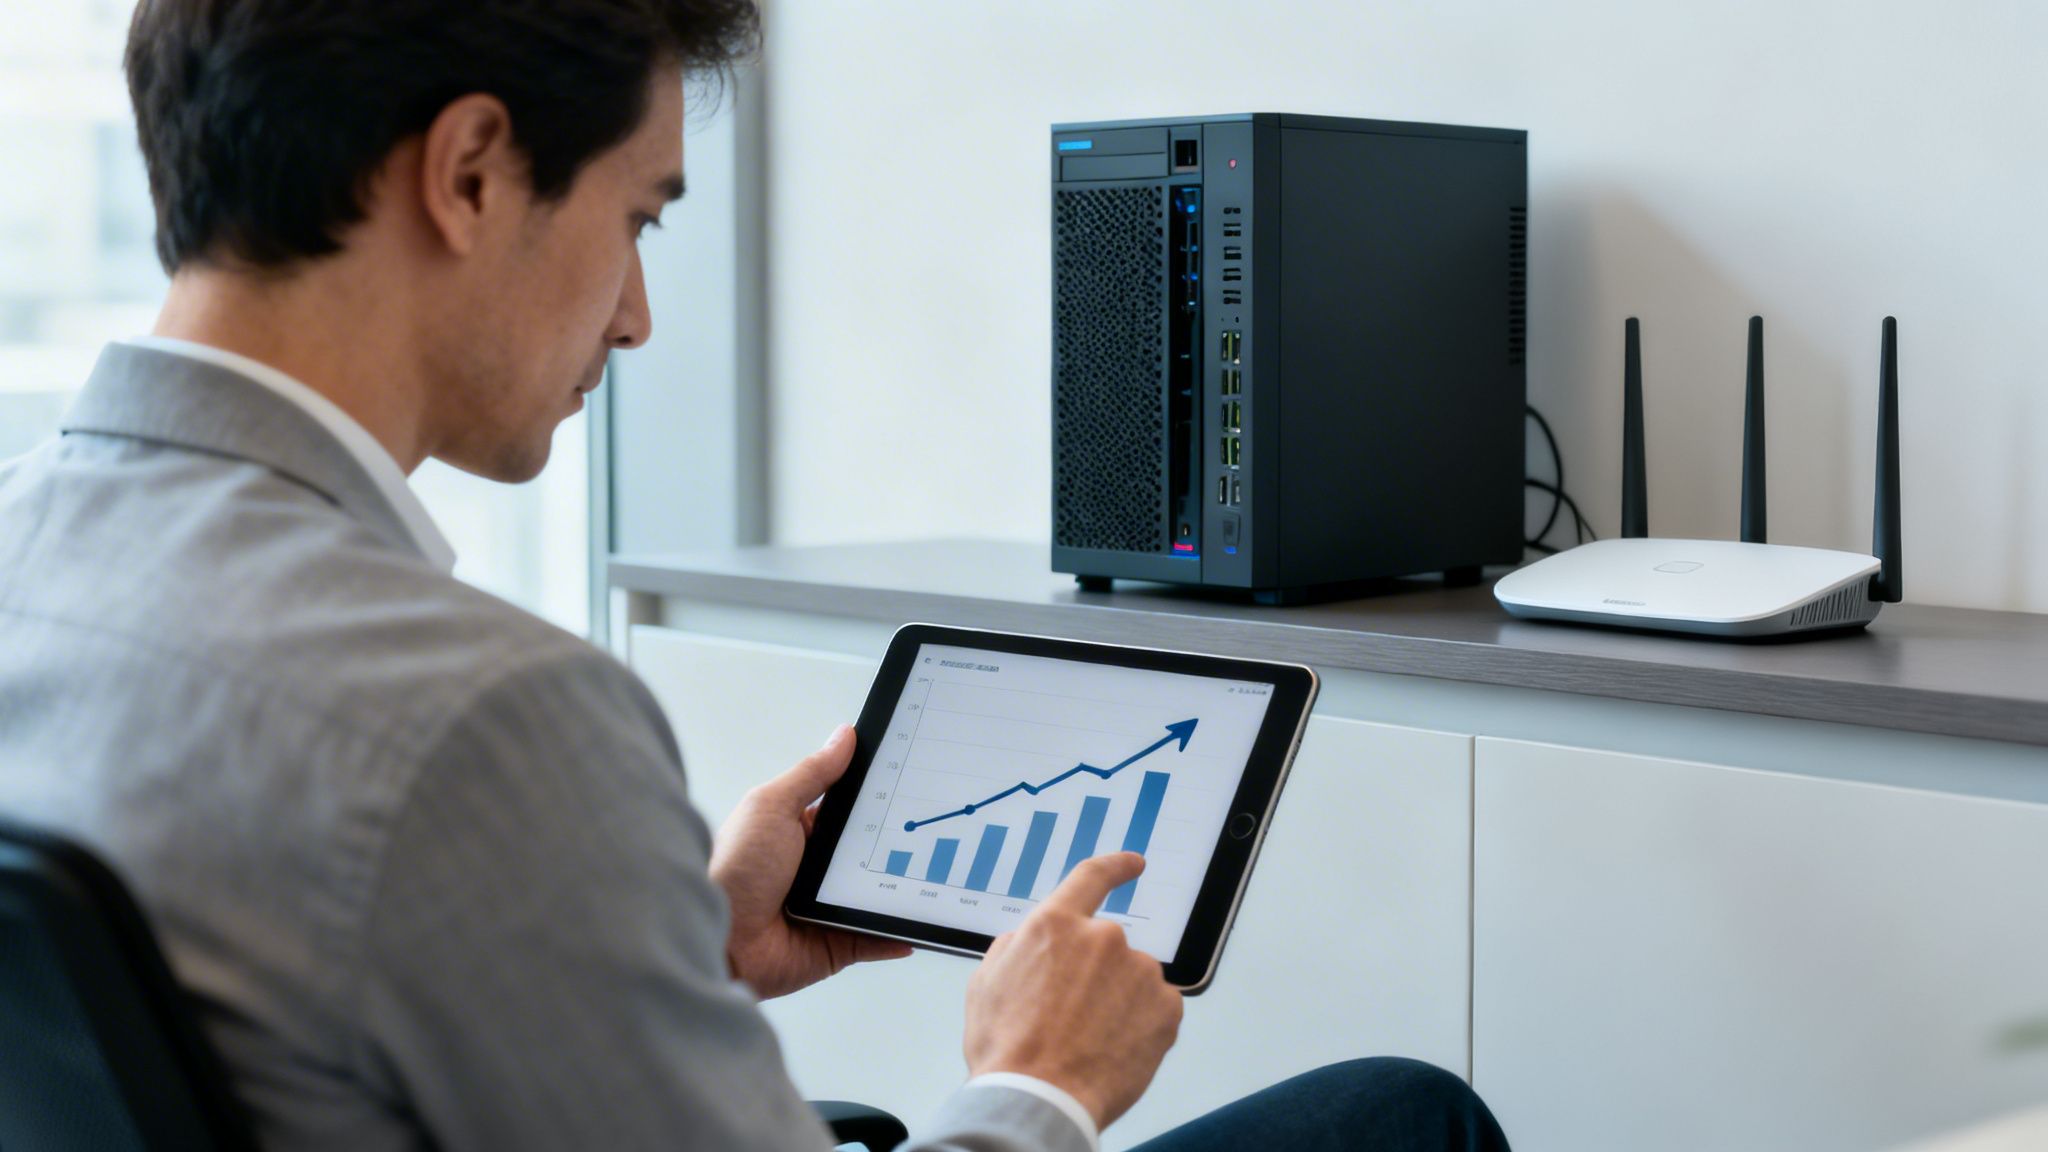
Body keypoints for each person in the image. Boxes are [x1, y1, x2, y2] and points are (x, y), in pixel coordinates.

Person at [0, 1, 1509, 1149]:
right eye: (637, 219)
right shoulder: (476, 721)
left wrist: (689, 961)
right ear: (469, 173)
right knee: (1401, 1116)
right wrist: (1036, 1088)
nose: (640, 316)